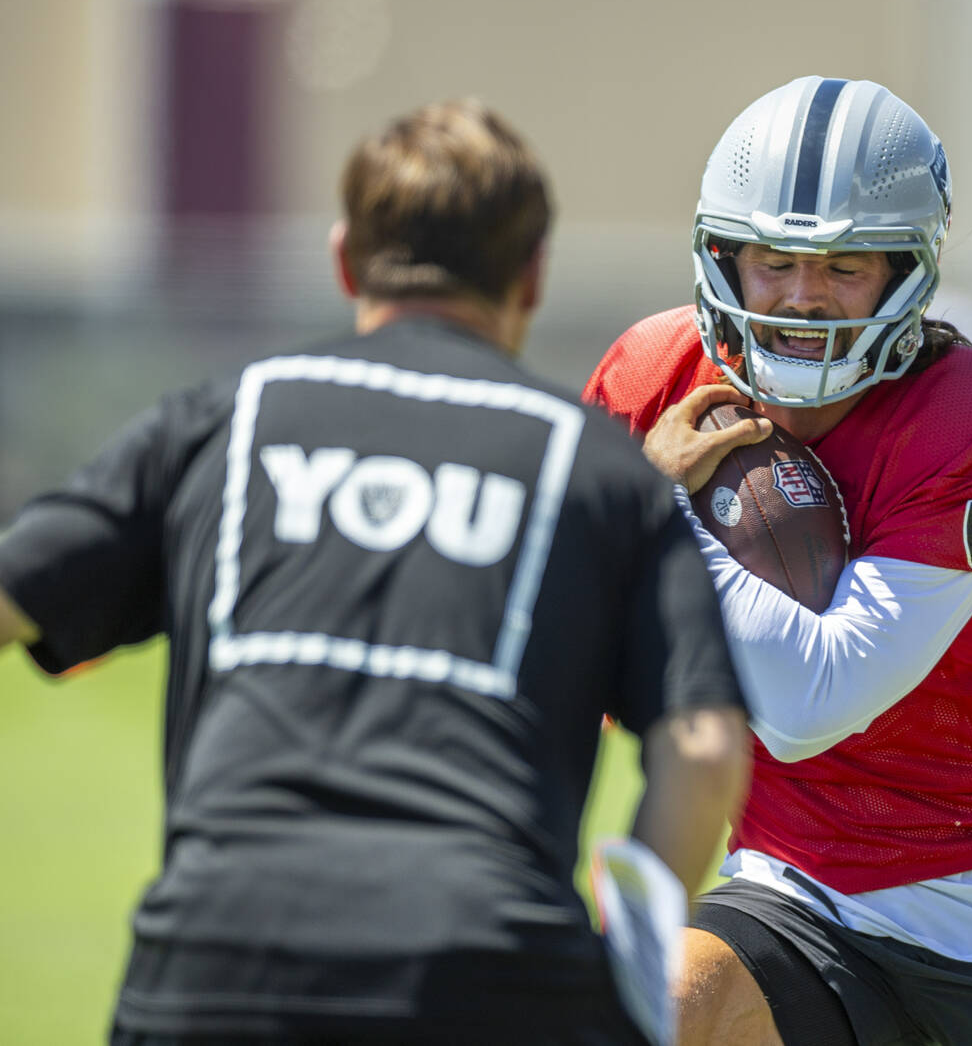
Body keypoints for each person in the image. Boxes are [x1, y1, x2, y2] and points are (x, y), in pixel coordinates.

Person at [0, 98, 750, 1045]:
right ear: (534, 275)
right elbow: (706, 749)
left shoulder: (222, 423)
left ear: (345, 258)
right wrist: (630, 986)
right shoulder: (598, 467)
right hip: (488, 981)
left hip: (212, 970)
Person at [584, 76, 972, 1046]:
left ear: (907, 269)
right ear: (723, 257)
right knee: (657, 1003)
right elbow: (577, 648)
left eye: (845, 265)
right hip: (793, 888)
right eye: (775, 260)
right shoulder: (652, 373)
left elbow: (812, 701)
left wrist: (660, 516)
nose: (802, 296)